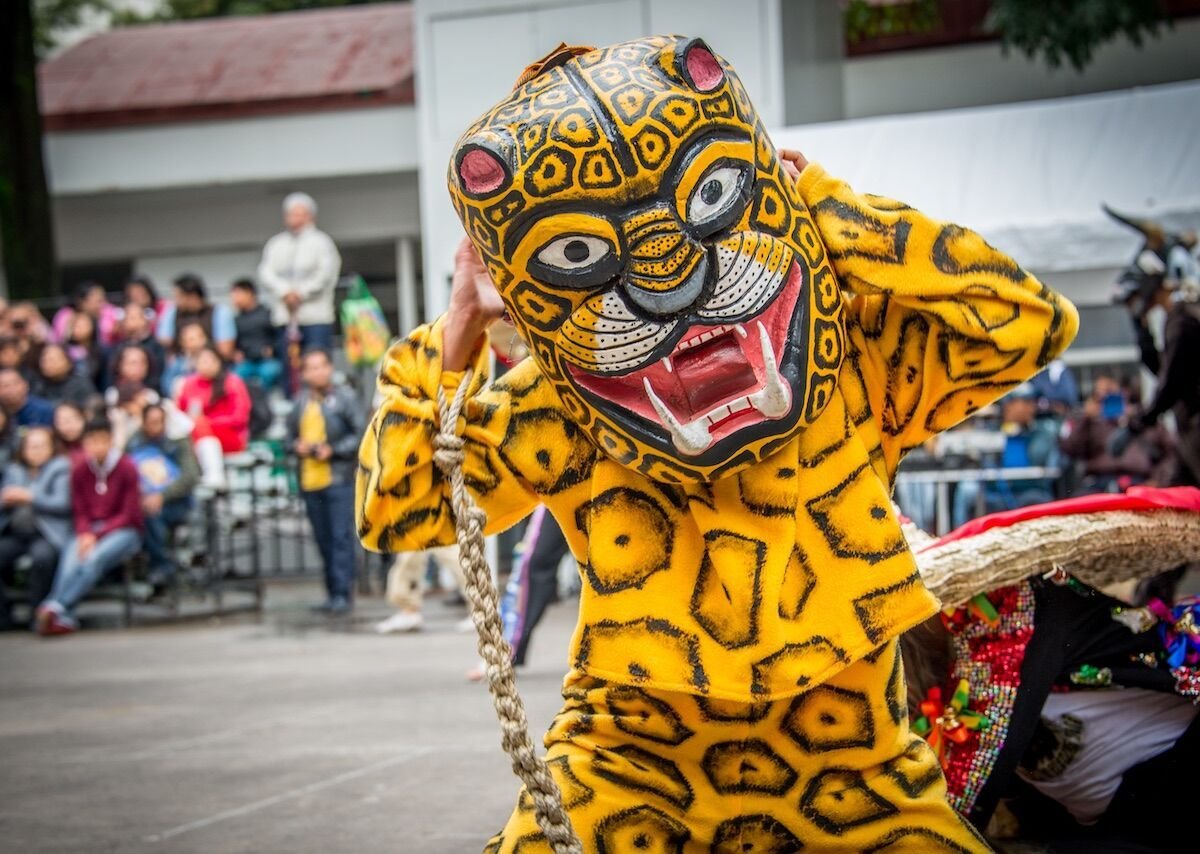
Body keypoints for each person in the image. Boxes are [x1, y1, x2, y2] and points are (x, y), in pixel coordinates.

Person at [358, 36, 1078, 852]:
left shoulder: (847, 358)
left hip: (855, 767)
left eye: (713, 196)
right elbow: (401, 509)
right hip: (631, 765)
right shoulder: (561, 405)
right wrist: (455, 335)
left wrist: (825, 205)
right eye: (578, 252)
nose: (668, 281)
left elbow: (1024, 321)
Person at [36, 417, 143, 636]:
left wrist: (98, 534)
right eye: (92, 441)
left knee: (93, 559)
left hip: (123, 531)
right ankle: (65, 617)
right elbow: (80, 509)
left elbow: (129, 513)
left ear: (111, 440)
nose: (98, 447)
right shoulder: (81, 470)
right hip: (90, 530)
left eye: (103, 441)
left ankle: (56, 605)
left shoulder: (127, 467)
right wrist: (86, 533)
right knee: (71, 559)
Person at [288, 348, 362, 614]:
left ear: (330, 368)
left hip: (338, 478)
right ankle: (331, 592)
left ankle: (343, 593)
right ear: (305, 373)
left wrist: (334, 449)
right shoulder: (300, 402)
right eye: (312, 367)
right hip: (310, 480)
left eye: (322, 366)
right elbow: (287, 437)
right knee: (323, 540)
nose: (318, 372)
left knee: (341, 537)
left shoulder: (344, 398)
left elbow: (359, 433)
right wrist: (297, 446)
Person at [257, 192, 341, 392]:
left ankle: (323, 402)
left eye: (299, 214)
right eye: (291, 214)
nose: (294, 218)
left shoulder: (322, 242)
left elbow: (326, 274)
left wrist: (301, 293)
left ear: (310, 216)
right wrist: (285, 292)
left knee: (318, 360)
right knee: (289, 365)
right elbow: (266, 272)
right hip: (286, 317)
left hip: (315, 317)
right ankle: (294, 406)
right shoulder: (276, 243)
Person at [953, 385, 1059, 527]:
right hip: (994, 492)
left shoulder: (1040, 432)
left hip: (1029, 492)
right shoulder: (992, 431)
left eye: (1032, 402)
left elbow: (1039, 460)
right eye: (1026, 402)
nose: (1031, 408)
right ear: (1009, 405)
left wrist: (1026, 431)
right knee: (967, 489)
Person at [0, 427, 72, 629]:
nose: (36, 451)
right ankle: (4, 618)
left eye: (41, 446)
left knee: (42, 559)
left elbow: (63, 503)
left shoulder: (60, 468)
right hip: (15, 532)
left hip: (46, 533)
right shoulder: (15, 470)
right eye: (31, 447)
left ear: (51, 448)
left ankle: (36, 615)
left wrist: (30, 497)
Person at [126, 403, 199, 587]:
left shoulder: (177, 440)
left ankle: (162, 566)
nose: (155, 426)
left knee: (153, 514)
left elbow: (190, 476)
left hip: (176, 501)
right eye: (151, 422)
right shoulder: (134, 442)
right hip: (143, 500)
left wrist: (163, 496)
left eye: (159, 422)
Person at [1061, 375, 1172, 494]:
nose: (1107, 398)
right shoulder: (1092, 423)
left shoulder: (1145, 420)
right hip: (1099, 483)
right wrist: (1086, 418)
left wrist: (1158, 480)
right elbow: (1069, 449)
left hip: (1141, 482)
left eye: (1111, 392)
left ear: (1125, 392)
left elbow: (1170, 453)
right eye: (1100, 396)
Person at [175, 345, 251, 490]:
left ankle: (214, 474)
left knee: (199, 423)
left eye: (210, 361)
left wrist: (208, 423)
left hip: (230, 435)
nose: (206, 365)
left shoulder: (232, 382)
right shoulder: (189, 384)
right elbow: (180, 414)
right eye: (202, 361)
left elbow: (240, 417)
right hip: (196, 435)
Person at [157, 274, 237, 361]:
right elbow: (164, 341)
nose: (175, 300)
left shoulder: (220, 312)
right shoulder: (172, 312)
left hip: (213, 362)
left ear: (192, 296)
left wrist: (200, 343)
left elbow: (225, 350)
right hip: (182, 362)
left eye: (179, 296)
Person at [229, 279, 282, 392]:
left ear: (249, 293)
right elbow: (235, 343)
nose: (234, 299)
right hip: (247, 362)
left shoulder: (268, 314)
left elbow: (279, 337)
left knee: (269, 372)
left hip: (267, 360)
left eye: (238, 294)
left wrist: (272, 349)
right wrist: (236, 353)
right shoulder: (237, 319)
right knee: (234, 377)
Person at [108, 307, 166, 392]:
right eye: (127, 318)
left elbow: (158, 374)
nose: (129, 321)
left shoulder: (156, 347)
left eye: (133, 318)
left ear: (144, 320)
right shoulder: (117, 347)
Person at [52, 282, 120, 347]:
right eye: (98, 301)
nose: (102, 304)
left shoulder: (107, 310)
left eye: (103, 299)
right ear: (82, 302)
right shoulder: (66, 315)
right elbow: (60, 339)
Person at [34, 343, 97, 407]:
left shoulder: (81, 384)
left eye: (52, 360)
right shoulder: (39, 385)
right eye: (44, 360)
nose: (47, 364)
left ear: (68, 362)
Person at [160, 322, 209, 398]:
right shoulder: (178, 363)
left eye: (198, 337)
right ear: (183, 343)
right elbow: (166, 383)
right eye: (190, 339)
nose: (195, 342)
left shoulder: (211, 360)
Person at [63, 310, 107, 391]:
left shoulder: (100, 351)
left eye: (82, 325)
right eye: (75, 325)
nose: (78, 328)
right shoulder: (64, 350)